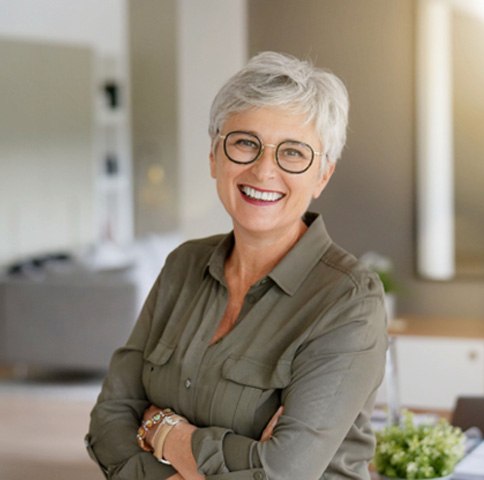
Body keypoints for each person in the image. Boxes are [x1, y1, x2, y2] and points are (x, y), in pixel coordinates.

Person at [86, 51, 387, 479]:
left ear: (322, 175)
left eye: (294, 153)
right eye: (246, 143)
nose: (264, 171)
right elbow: (109, 418)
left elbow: (282, 473)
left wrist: (161, 429)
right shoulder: (182, 265)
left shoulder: (348, 299)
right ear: (215, 156)